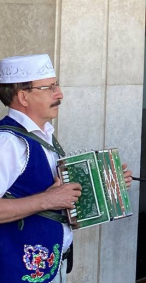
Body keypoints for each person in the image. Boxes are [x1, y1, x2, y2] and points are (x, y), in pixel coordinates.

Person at [0, 53, 132, 283]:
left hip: (50, 266)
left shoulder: (45, 135)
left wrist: (106, 185)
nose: (59, 94)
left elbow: (56, 193)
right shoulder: (9, 143)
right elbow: (50, 198)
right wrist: (47, 200)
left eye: (57, 85)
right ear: (23, 96)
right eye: (49, 87)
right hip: (16, 272)